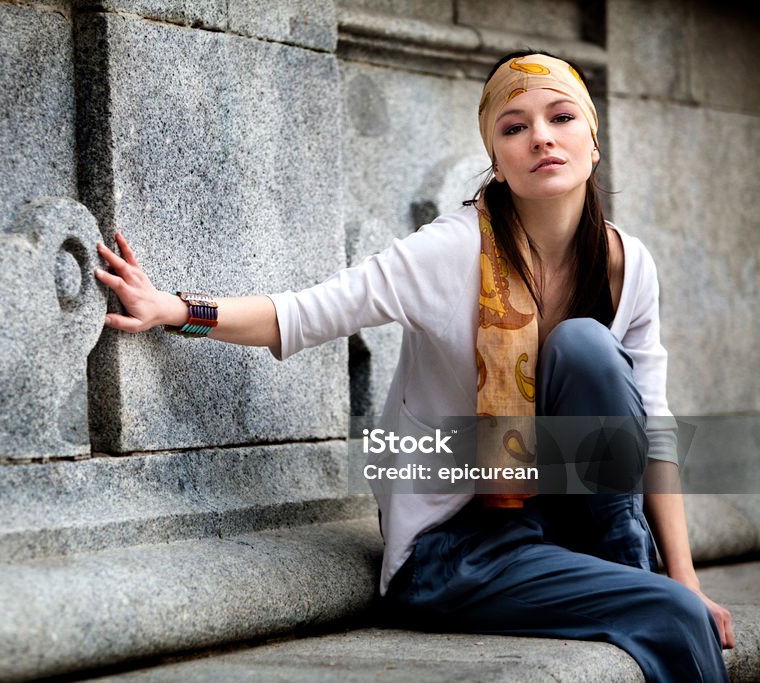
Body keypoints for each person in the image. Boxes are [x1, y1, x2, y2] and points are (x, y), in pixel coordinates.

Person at [93, 50, 734, 682]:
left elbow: (653, 424)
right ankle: (641, 585)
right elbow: (303, 313)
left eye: (561, 117)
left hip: (573, 528)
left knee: (586, 347)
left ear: (593, 143)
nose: (540, 137)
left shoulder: (629, 263)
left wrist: (684, 576)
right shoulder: (451, 251)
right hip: (454, 550)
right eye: (514, 127)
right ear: (498, 161)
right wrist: (175, 308)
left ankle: (633, 569)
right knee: (673, 615)